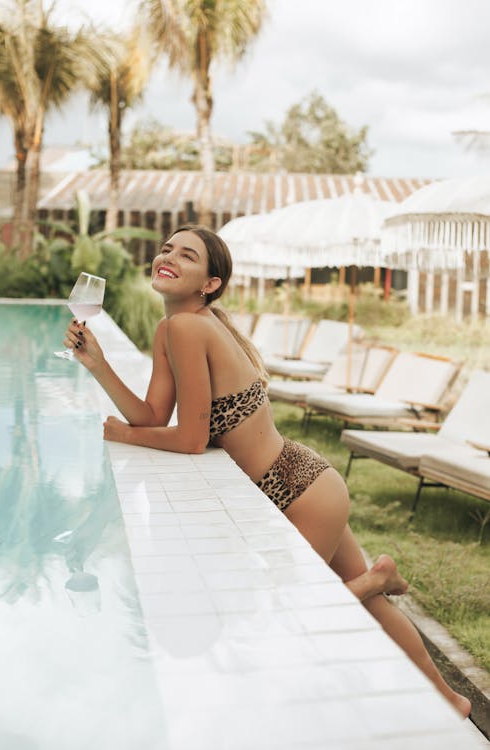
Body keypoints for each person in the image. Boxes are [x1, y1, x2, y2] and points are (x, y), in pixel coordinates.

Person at [64, 224, 470, 718]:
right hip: (307, 481)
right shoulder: (179, 327)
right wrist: (98, 365)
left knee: (293, 618)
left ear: (209, 283)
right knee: (366, 610)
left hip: (295, 492)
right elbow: (154, 416)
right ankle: (452, 702)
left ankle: (376, 577)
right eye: (166, 249)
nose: (168, 256)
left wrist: (125, 437)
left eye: (187, 255)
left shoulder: (189, 328)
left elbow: (190, 440)